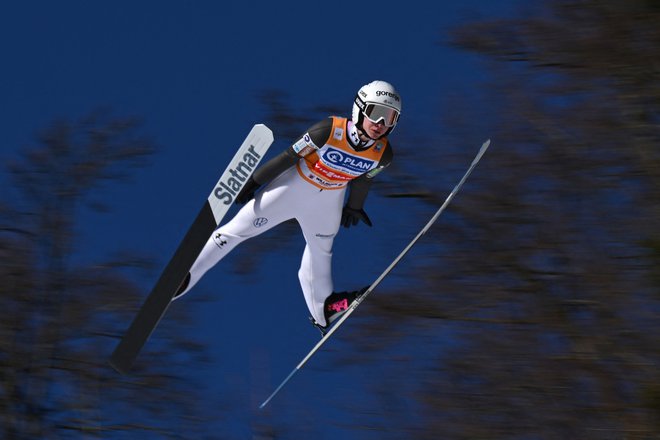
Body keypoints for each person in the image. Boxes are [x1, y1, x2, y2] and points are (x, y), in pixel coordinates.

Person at [174, 80, 402, 331]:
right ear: (359, 109)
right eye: (376, 113)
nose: (381, 124)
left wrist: (355, 206)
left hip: (328, 200)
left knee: (321, 250)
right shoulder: (328, 130)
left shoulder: (383, 154)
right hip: (293, 188)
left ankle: (323, 309)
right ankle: (185, 275)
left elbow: (363, 180)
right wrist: (254, 181)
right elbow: (289, 156)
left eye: (390, 118)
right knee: (236, 230)